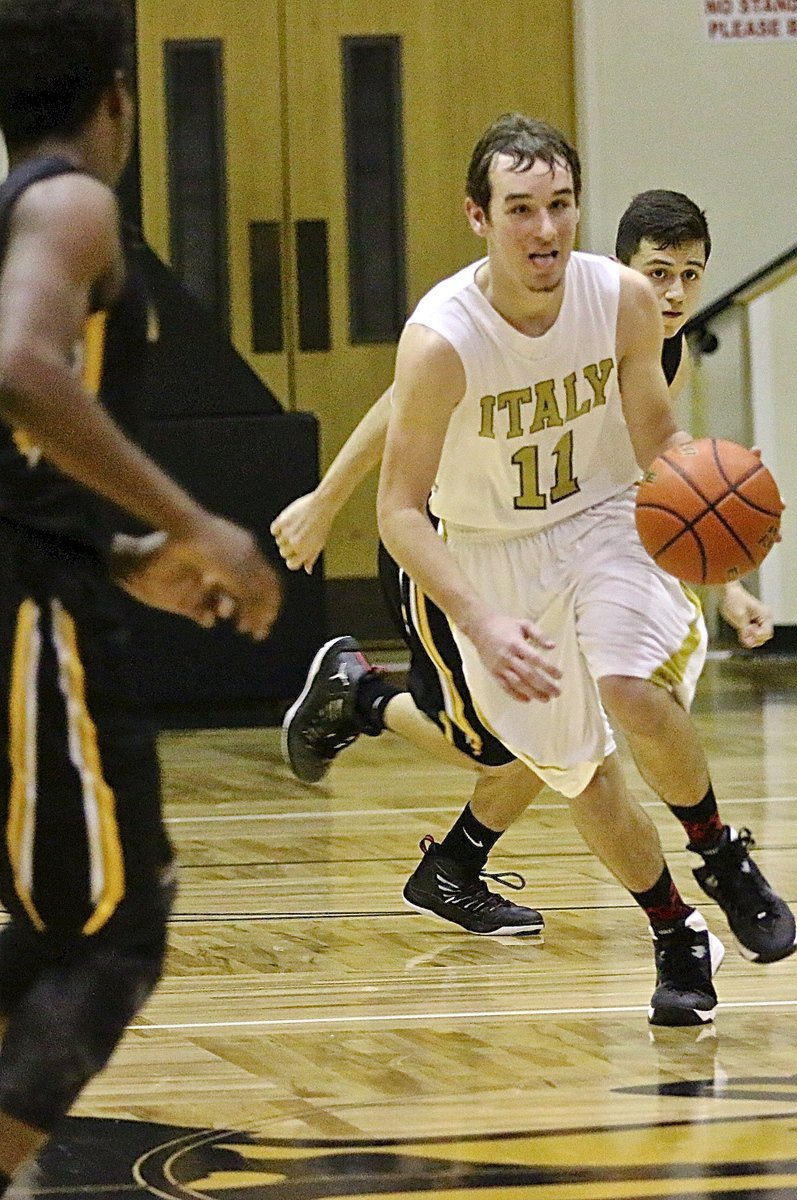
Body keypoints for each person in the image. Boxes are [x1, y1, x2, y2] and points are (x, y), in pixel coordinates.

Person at [373, 112, 795, 1026]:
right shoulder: (442, 340)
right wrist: (479, 619)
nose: (546, 229)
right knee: (579, 772)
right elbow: (399, 511)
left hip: (605, 518)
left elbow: (655, 437)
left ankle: (720, 854)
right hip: (490, 556)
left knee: (630, 685)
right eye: (521, 208)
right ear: (478, 218)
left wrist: (718, 489)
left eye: (560, 205)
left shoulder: (620, 300)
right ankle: (674, 929)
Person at [275, 189, 781, 949]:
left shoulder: (655, 348)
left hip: (569, 543)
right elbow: (397, 405)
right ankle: (363, 697)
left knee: (574, 728)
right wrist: (326, 496)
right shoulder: (541, 321)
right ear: (620, 269)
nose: (674, 292)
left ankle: (454, 865)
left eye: (691, 274)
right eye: (659, 272)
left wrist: (730, 581)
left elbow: (664, 494)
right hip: (456, 540)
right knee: (500, 745)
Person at [0, 0, 282, 1188]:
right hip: (30, 617)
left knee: (37, 934)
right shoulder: (72, 200)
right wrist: (195, 522)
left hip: (46, 581)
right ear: (117, 96)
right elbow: (17, 368)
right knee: (111, 937)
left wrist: (123, 561)